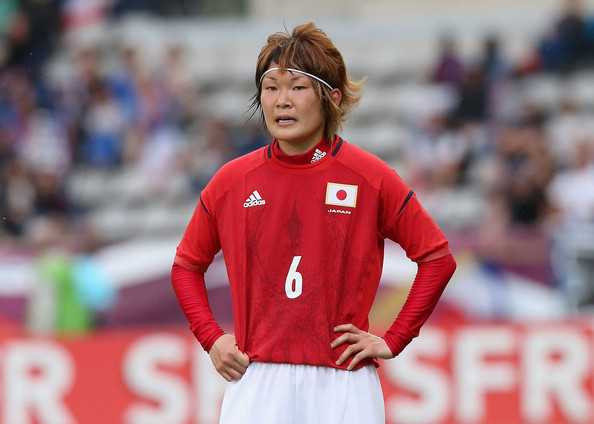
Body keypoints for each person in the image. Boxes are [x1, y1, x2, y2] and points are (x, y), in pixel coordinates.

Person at [171, 22, 457, 424]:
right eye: (271, 88)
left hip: (345, 384)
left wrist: (394, 338)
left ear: (331, 98)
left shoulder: (370, 178)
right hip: (257, 382)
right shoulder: (232, 182)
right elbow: (186, 267)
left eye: (297, 87)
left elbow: (438, 259)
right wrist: (211, 338)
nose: (282, 101)